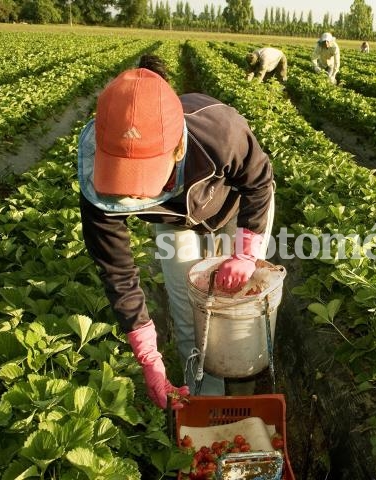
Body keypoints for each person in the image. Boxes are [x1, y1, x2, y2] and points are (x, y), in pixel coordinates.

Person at [78, 55, 275, 406]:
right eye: (124, 177)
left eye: (142, 179)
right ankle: (206, 402)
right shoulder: (97, 177)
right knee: (190, 310)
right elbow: (118, 272)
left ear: (179, 149)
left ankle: (244, 386)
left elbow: (259, 184)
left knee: (240, 306)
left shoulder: (221, 133)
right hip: (174, 222)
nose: (135, 194)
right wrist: (148, 357)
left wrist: (245, 253)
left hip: (230, 208)